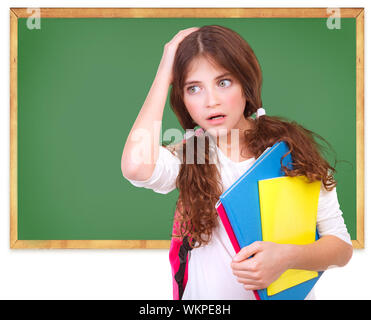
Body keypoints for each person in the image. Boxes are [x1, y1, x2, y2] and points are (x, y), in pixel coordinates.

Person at [121, 25, 353, 300]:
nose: (211, 101)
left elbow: (340, 246)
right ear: (183, 100)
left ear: (246, 85)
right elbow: (135, 166)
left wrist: (287, 257)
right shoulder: (189, 156)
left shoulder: (289, 152)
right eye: (193, 88)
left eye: (224, 82)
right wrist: (164, 72)